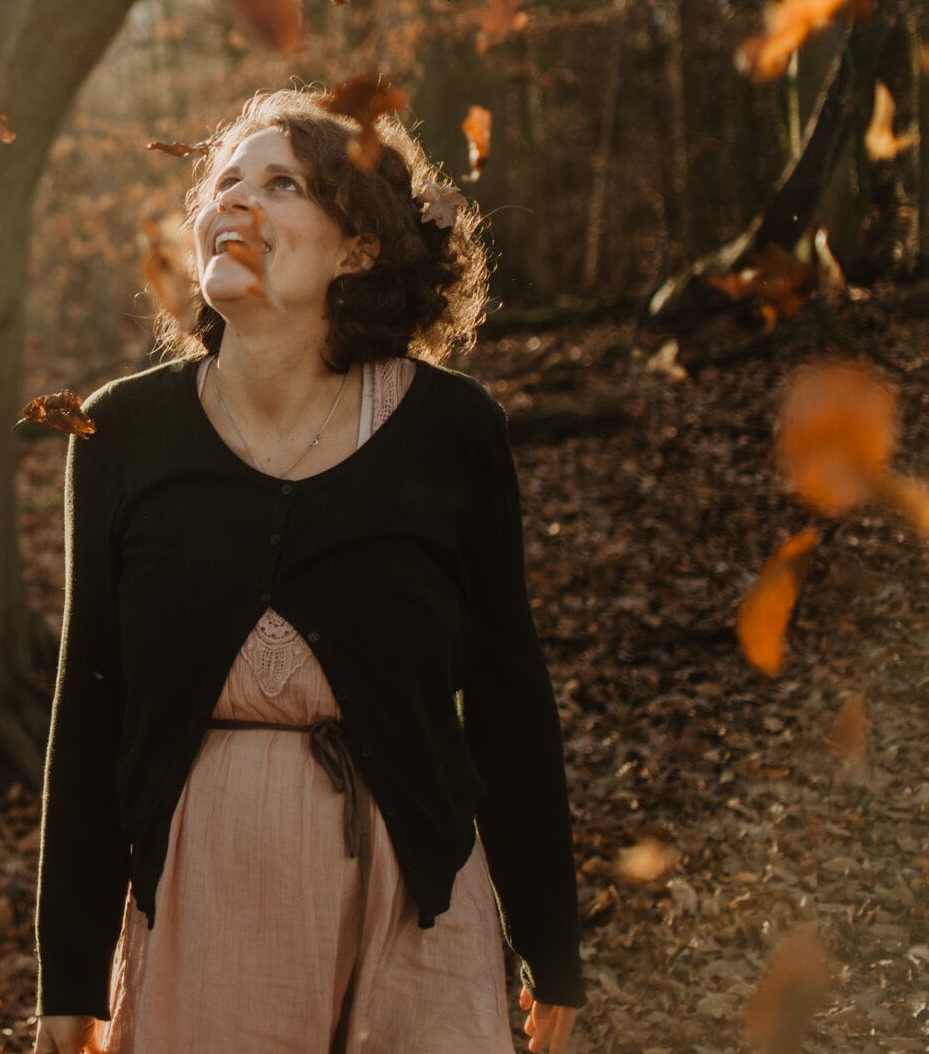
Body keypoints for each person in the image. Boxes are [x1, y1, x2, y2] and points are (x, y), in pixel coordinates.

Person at [31, 89, 587, 1054]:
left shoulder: (454, 433)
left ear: (359, 245)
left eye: (279, 184)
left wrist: (549, 941)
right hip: (204, 904)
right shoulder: (121, 431)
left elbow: (506, 694)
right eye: (224, 185)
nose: (234, 204)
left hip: (417, 903)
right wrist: (68, 976)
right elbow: (88, 708)